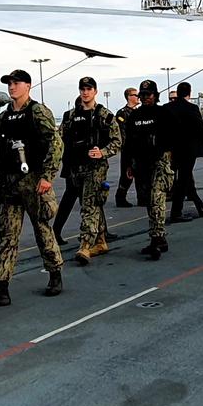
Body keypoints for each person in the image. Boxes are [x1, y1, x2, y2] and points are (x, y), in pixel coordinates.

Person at [0, 69, 64, 307]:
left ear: (28, 86)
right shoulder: (3, 118)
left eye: (16, 83)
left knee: (42, 230)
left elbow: (56, 144)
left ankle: (55, 274)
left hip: (34, 182)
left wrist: (47, 176)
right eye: (9, 84)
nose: (12, 87)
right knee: (8, 237)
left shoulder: (38, 112)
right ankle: (1, 287)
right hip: (9, 185)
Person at [56, 77, 121, 265]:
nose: (85, 92)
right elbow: (58, 141)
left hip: (95, 168)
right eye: (82, 89)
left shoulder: (104, 115)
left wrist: (103, 152)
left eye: (89, 89)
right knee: (94, 205)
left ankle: (85, 246)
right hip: (75, 168)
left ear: (95, 91)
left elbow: (117, 141)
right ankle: (100, 241)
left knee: (89, 205)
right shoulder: (69, 117)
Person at [122, 79, 177, 260]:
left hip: (159, 163)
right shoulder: (134, 117)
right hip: (141, 164)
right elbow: (128, 143)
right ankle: (158, 237)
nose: (145, 98)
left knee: (157, 200)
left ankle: (156, 239)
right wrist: (129, 165)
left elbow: (173, 139)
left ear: (155, 95)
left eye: (148, 95)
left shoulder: (163, 113)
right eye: (142, 95)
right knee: (148, 201)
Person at [164, 81, 203, 222]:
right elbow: (201, 128)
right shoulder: (192, 108)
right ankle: (176, 213)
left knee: (185, 178)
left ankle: (199, 205)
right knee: (183, 180)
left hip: (171, 149)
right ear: (190, 93)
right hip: (189, 150)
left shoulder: (167, 108)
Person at [114, 87, 140, 207]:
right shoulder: (122, 113)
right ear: (129, 97)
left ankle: (142, 197)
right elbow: (122, 133)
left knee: (140, 173)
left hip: (138, 148)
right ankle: (120, 197)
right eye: (135, 95)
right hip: (128, 148)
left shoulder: (138, 112)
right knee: (127, 174)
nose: (138, 97)